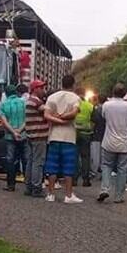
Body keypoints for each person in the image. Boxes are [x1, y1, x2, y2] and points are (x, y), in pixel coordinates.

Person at [43, 74, 83, 203]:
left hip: (54, 135)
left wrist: (57, 119)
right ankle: (69, 195)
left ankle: (50, 194)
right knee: (68, 167)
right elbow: (74, 112)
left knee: (52, 166)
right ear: (73, 84)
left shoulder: (52, 97)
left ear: (61, 83)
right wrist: (64, 118)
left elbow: (46, 115)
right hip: (69, 136)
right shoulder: (75, 98)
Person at [98, 83, 127, 203]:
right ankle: (118, 196)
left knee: (106, 166)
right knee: (122, 170)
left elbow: (103, 117)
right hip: (124, 143)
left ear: (113, 92)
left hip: (108, 141)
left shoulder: (106, 105)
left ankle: (105, 189)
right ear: (124, 93)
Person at [0, 83, 29, 192]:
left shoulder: (3, 105)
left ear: (6, 94)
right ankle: (28, 184)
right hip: (23, 135)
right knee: (26, 159)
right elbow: (27, 119)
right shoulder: (24, 103)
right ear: (16, 92)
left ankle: (11, 185)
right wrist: (19, 131)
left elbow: (4, 122)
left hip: (10, 136)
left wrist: (13, 132)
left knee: (10, 160)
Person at [24, 80, 50, 197]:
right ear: (35, 89)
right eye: (41, 88)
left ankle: (28, 186)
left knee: (31, 161)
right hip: (39, 135)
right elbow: (48, 111)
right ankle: (36, 188)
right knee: (38, 163)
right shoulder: (36, 102)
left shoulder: (29, 100)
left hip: (31, 135)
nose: (43, 90)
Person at [74, 87, 94, 187]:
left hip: (74, 132)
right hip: (86, 133)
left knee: (74, 156)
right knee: (85, 157)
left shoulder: (74, 104)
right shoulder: (90, 106)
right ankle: (86, 180)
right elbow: (93, 119)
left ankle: (74, 179)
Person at [90, 94, 106, 177]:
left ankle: (94, 171)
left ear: (98, 100)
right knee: (103, 155)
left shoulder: (96, 110)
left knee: (95, 154)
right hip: (105, 134)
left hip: (96, 134)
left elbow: (93, 121)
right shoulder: (107, 110)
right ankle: (103, 171)